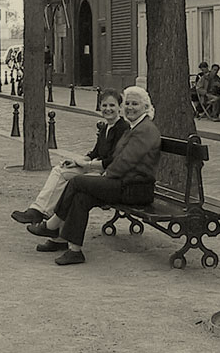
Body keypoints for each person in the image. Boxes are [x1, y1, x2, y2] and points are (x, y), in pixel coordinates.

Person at [27, 86, 161, 266]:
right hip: (124, 183)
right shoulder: (134, 127)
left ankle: (52, 225)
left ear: (145, 107)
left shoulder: (145, 130)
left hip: (136, 189)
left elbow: (125, 163)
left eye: (135, 104)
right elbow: (116, 158)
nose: (130, 107)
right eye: (128, 103)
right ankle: (73, 249)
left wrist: (105, 176)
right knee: (82, 196)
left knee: (77, 181)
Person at [11, 89, 128, 225]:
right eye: (104, 105)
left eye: (112, 105)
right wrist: (76, 162)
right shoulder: (105, 128)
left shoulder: (123, 128)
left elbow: (112, 160)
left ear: (120, 107)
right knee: (59, 170)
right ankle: (37, 210)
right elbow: (95, 153)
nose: (108, 109)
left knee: (73, 183)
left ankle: (52, 221)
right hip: (96, 168)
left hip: (109, 175)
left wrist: (85, 165)